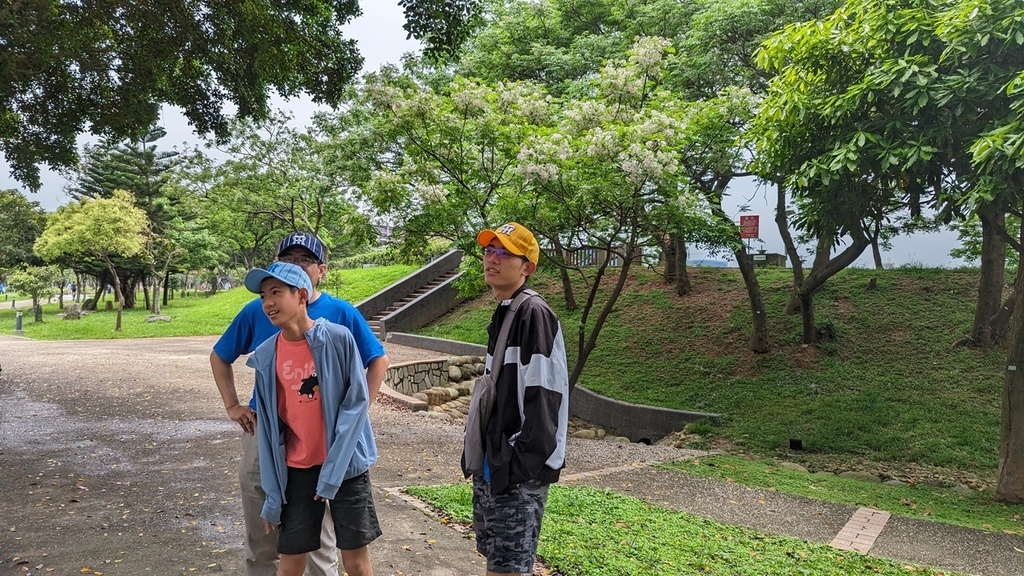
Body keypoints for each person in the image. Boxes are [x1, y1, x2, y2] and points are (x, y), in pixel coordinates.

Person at [210, 231, 389, 576]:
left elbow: (374, 365)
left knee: (339, 551)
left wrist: (354, 422)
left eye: (303, 260)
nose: (268, 302)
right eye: (265, 294)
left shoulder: (340, 321)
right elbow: (221, 356)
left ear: (317, 272)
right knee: (275, 537)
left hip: (341, 456)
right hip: (285, 450)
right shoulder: (264, 344)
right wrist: (233, 406)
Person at [244, 261, 380, 576]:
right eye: (264, 295)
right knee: (291, 561)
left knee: (356, 562)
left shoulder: (337, 338)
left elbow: (355, 404)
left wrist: (333, 473)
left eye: (276, 292)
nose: (268, 303)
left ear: (302, 295)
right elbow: (269, 432)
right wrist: (273, 495)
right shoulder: (266, 356)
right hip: (298, 469)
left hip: (345, 466)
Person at [461, 222, 570, 576]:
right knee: (499, 563)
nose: (492, 259)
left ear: (527, 267)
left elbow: (545, 396)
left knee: (508, 568)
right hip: (498, 464)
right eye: (489, 251)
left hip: (517, 471)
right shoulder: (507, 309)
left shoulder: (532, 313)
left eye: (505, 253)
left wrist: (518, 465)